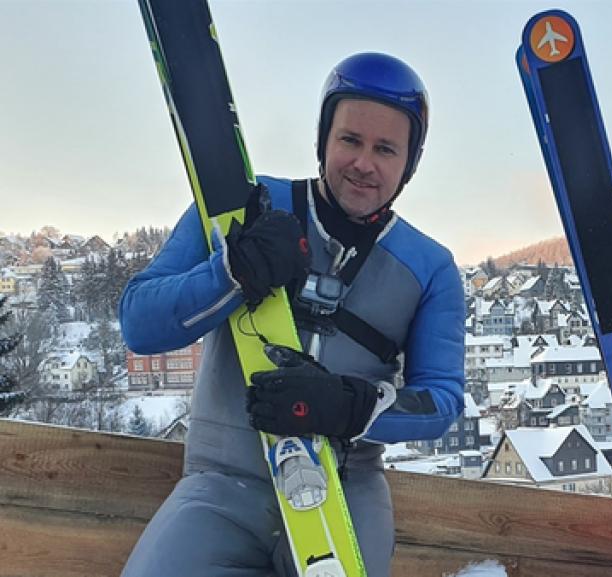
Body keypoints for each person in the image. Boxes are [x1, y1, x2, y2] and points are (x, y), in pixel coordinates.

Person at [119, 53, 465, 577]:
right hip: (222, 483)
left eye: (386, 149)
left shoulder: (430, 268)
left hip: (346, 491)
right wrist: (232, 271)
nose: (364, 163)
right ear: (324, 139)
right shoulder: (240, 208)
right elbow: (139, 323)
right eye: (349, 140)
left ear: (408, 163)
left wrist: (354, 407)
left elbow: (442, 400)